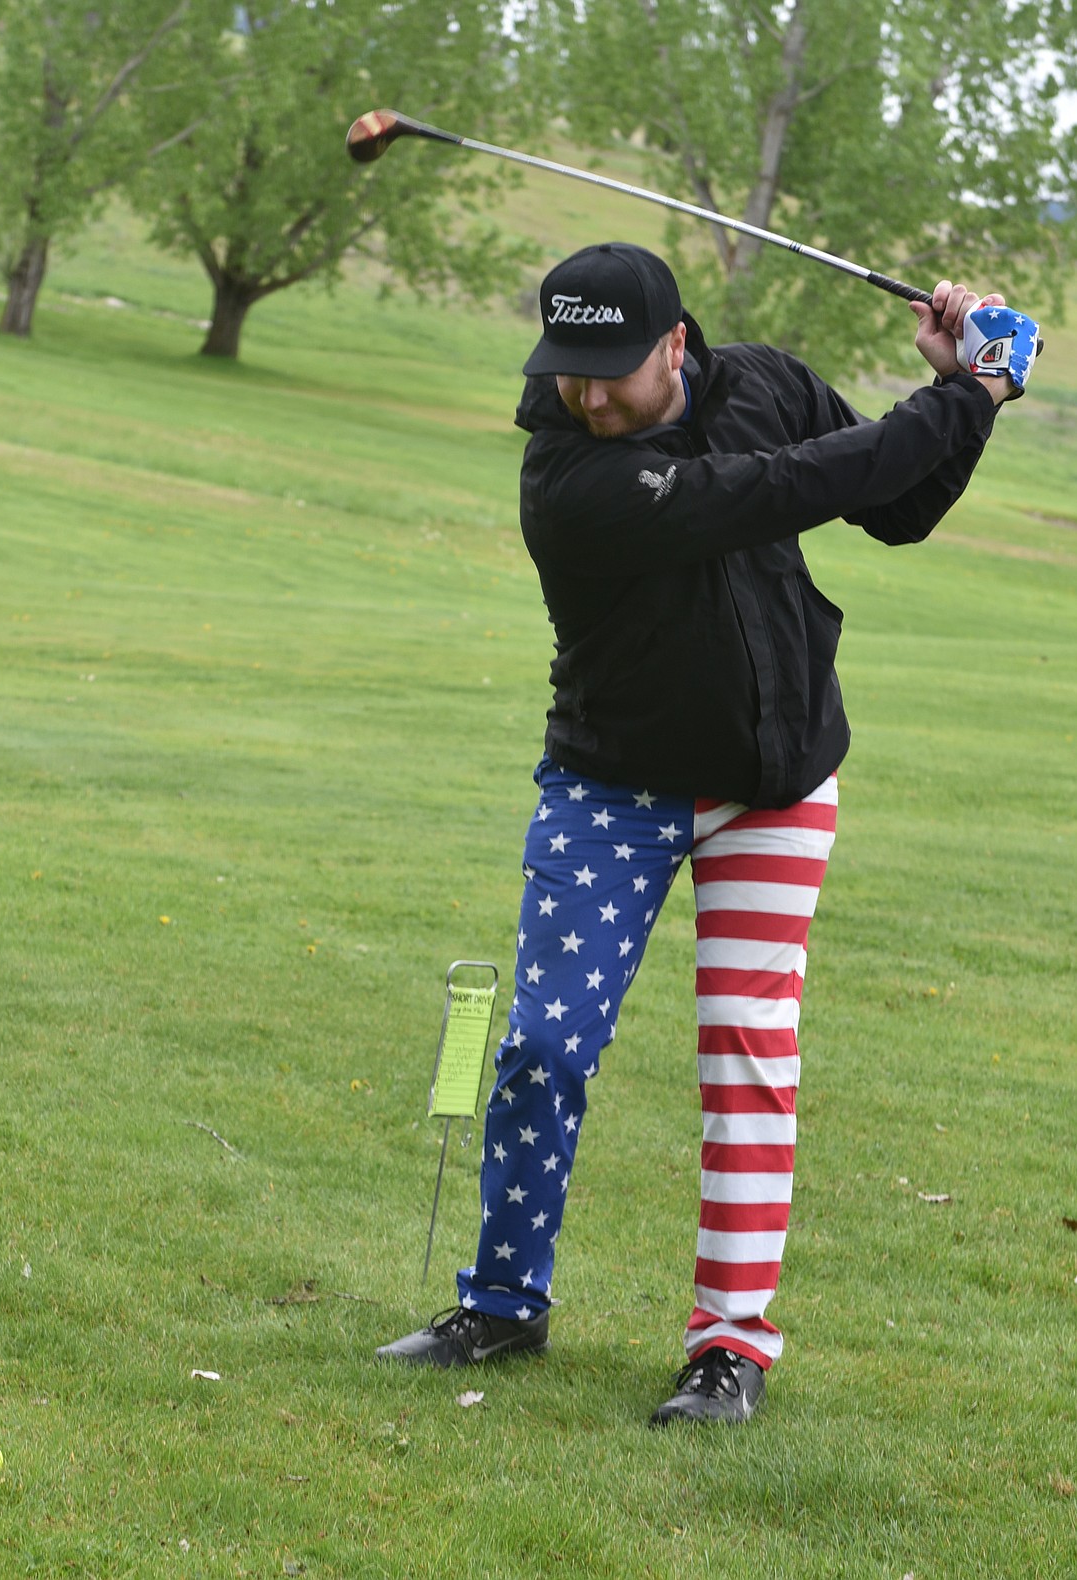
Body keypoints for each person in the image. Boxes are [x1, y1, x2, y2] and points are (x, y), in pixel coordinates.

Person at [377, 243, 1040, 1424]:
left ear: (676, 342)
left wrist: (958, 398)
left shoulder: (769, 383)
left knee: (746, 1054)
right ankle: (504, 1301)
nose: (589, 396)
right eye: (569, 371)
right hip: (611, 785)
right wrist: (976, 386)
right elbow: (783, 489)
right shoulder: (568, 480)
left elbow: (898, 505)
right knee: (546, 1043)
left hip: (772, 781)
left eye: (612, 371)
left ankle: (729, 1348)